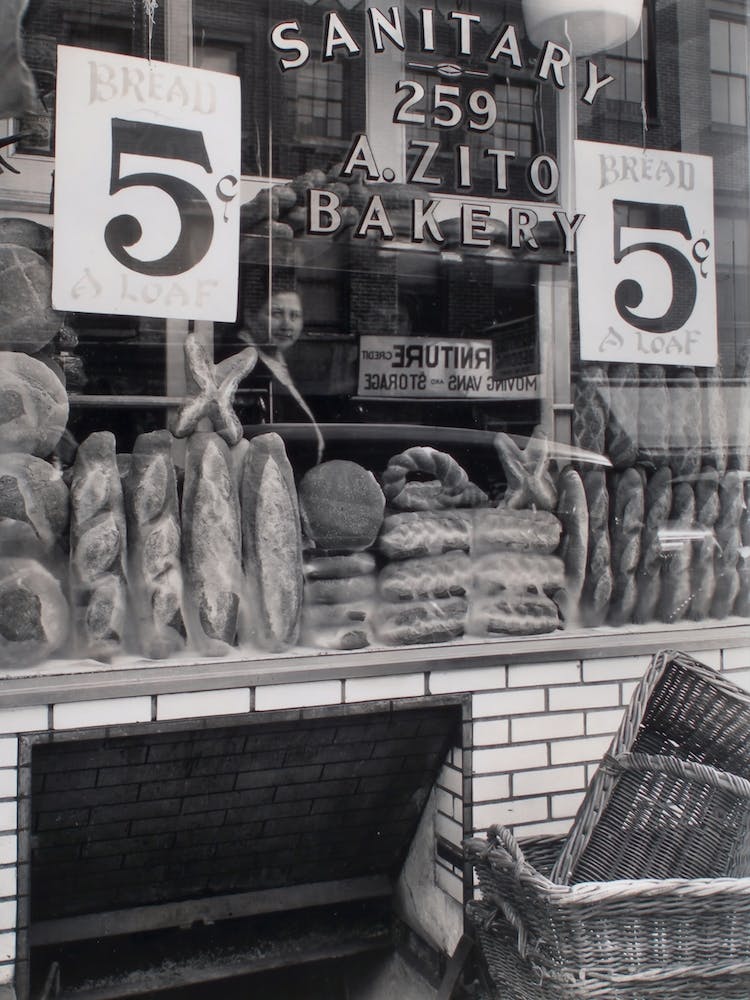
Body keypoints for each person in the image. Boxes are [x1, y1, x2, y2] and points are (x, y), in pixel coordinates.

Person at [238, 288, 324, 463]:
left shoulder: (280, 360)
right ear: (250, 317)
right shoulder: (242, 365)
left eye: (295, 316)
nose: (287, 325)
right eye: (276, 314)